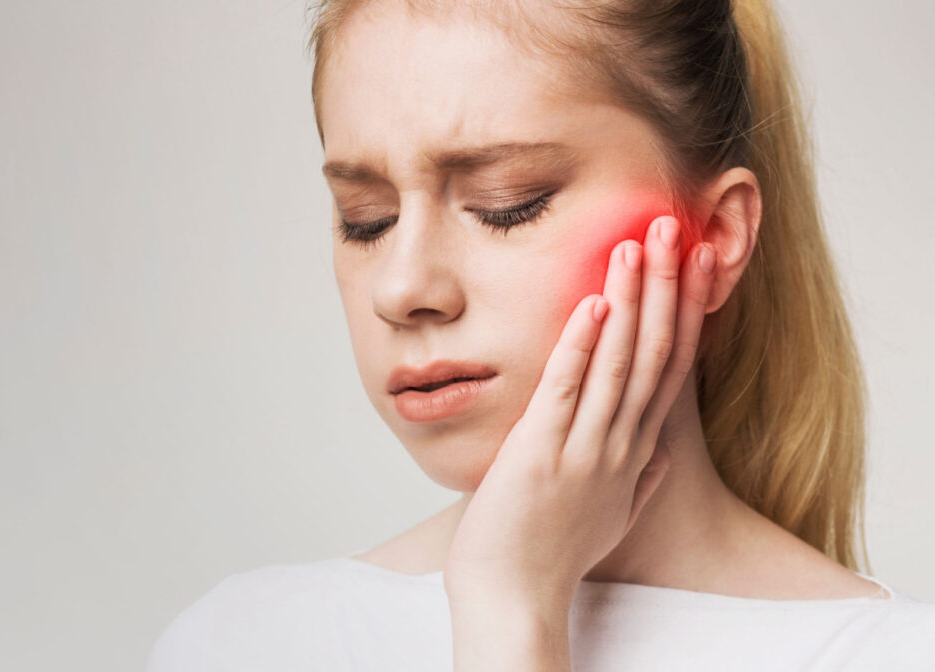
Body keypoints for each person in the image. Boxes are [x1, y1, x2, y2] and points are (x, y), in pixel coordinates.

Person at [147, 0, 935, 669]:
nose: (403, 289)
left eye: (506, 203)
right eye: (367, 221)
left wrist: (514, 611)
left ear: (717, 236)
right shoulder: (242, 645)